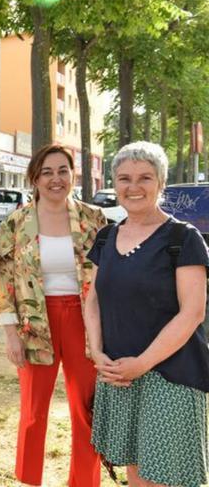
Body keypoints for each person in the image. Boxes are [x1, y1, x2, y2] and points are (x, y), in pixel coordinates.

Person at [85, 141, 209, 487]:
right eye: (124, 178)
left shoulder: (183, 238)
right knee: (136, 474)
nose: (133, 187)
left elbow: (192, 314)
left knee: (165, 479)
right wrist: (97, 352)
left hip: (170, 377)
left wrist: (142, 363)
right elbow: (93, 300)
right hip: (119, 374)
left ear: (161, 183)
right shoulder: (106, 237)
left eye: (145, 178)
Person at [0, 144, 106, 487]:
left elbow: (108, 277)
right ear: (35, 178)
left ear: (73, 175)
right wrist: (11, 334)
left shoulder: (93, 219)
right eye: (47, 172)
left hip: (84, 321)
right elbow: (5, 282)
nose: (56, 179)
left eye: (62, 171)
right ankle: (29, 480)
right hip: (33, 323)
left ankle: (84, 482)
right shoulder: (16, 222)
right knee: (33, 411)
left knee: (86, 410)